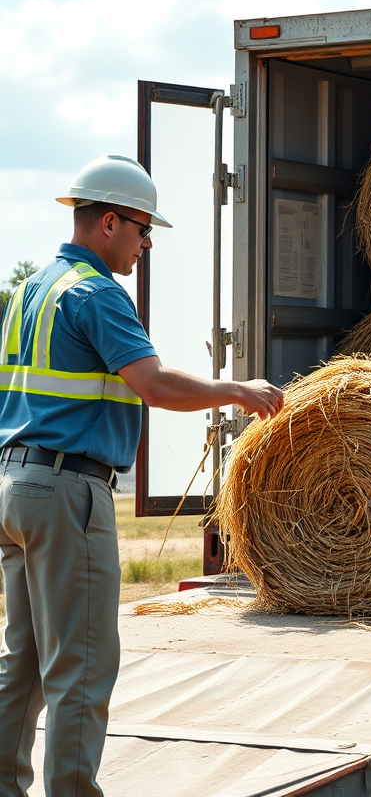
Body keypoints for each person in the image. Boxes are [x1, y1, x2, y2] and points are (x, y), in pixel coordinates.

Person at [0, 154, 284, 797]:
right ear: (108, 223)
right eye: (142, 228)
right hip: (69, 492)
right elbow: (152, 385)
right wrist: (236, 390)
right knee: (83, 664)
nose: (147, 241)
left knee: (23, 667)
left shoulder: (32, 289)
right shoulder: (96, 292)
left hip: (16, 489)